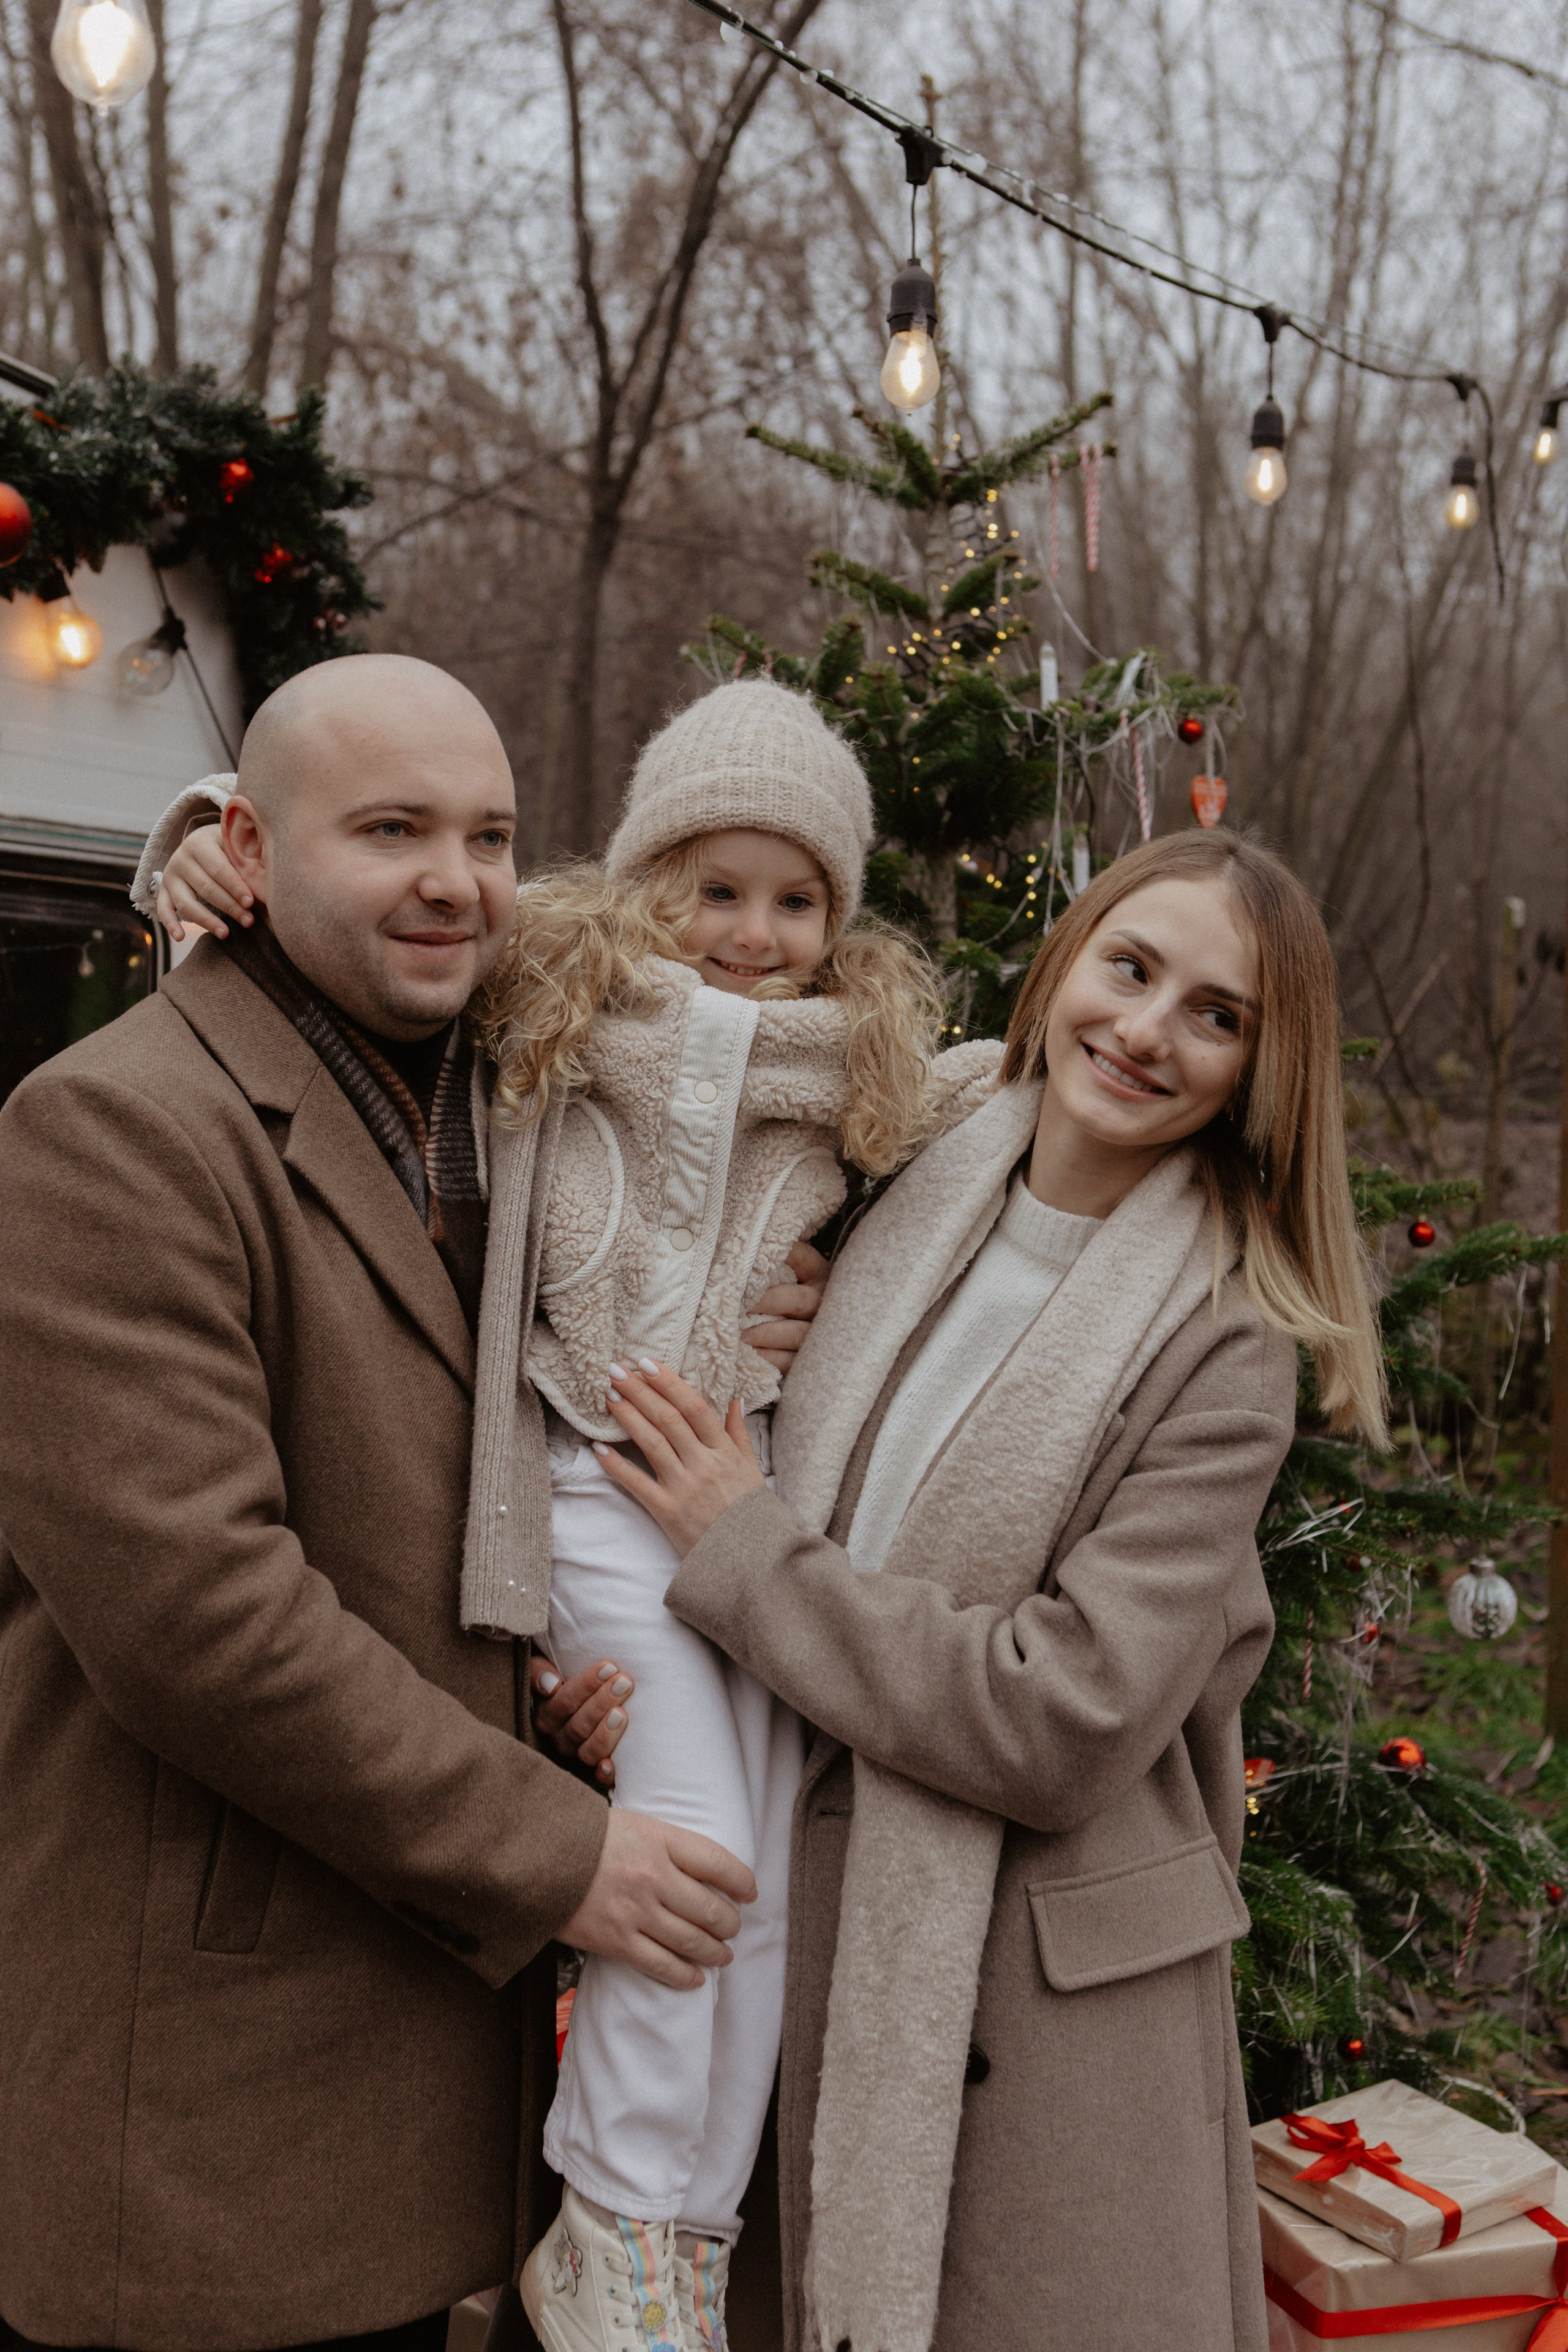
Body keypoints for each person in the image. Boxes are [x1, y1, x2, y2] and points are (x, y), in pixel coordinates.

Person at [145, 677, 997, 2352]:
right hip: (584, 1475)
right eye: (713, 886)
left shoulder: (862, 1060)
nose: (751, 934)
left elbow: (1037, 1101)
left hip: (734, 1505)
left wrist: (828, 1302)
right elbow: (373, 857)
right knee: (681, 1857)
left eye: (795, 897)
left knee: (754, 1876)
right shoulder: (564, 980)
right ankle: (607, 2220)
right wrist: (185, 841)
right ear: (643, 875)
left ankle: (684, 2230)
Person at [0, 655, 778, 2352]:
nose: (456, 878)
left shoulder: (499, 1114)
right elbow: (197, 1617)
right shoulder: (110, 1131)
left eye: (492, 833)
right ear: (250, 855)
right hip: (217, 2117)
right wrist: (561, 1850)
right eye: (391, 829)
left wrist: (552, 1706)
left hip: (416, 2082)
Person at [576, 830, 1389, 2352]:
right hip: (786, 1918)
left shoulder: (1225, 1340)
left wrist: (741, 1549)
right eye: (1130, 969)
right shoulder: (891, 1172)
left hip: (1032, 2007)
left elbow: (1064, 1712)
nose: (1146, 1033)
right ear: (1065, 960)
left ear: (1256, 1073)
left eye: (1216, 1016)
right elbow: (615, 1057)